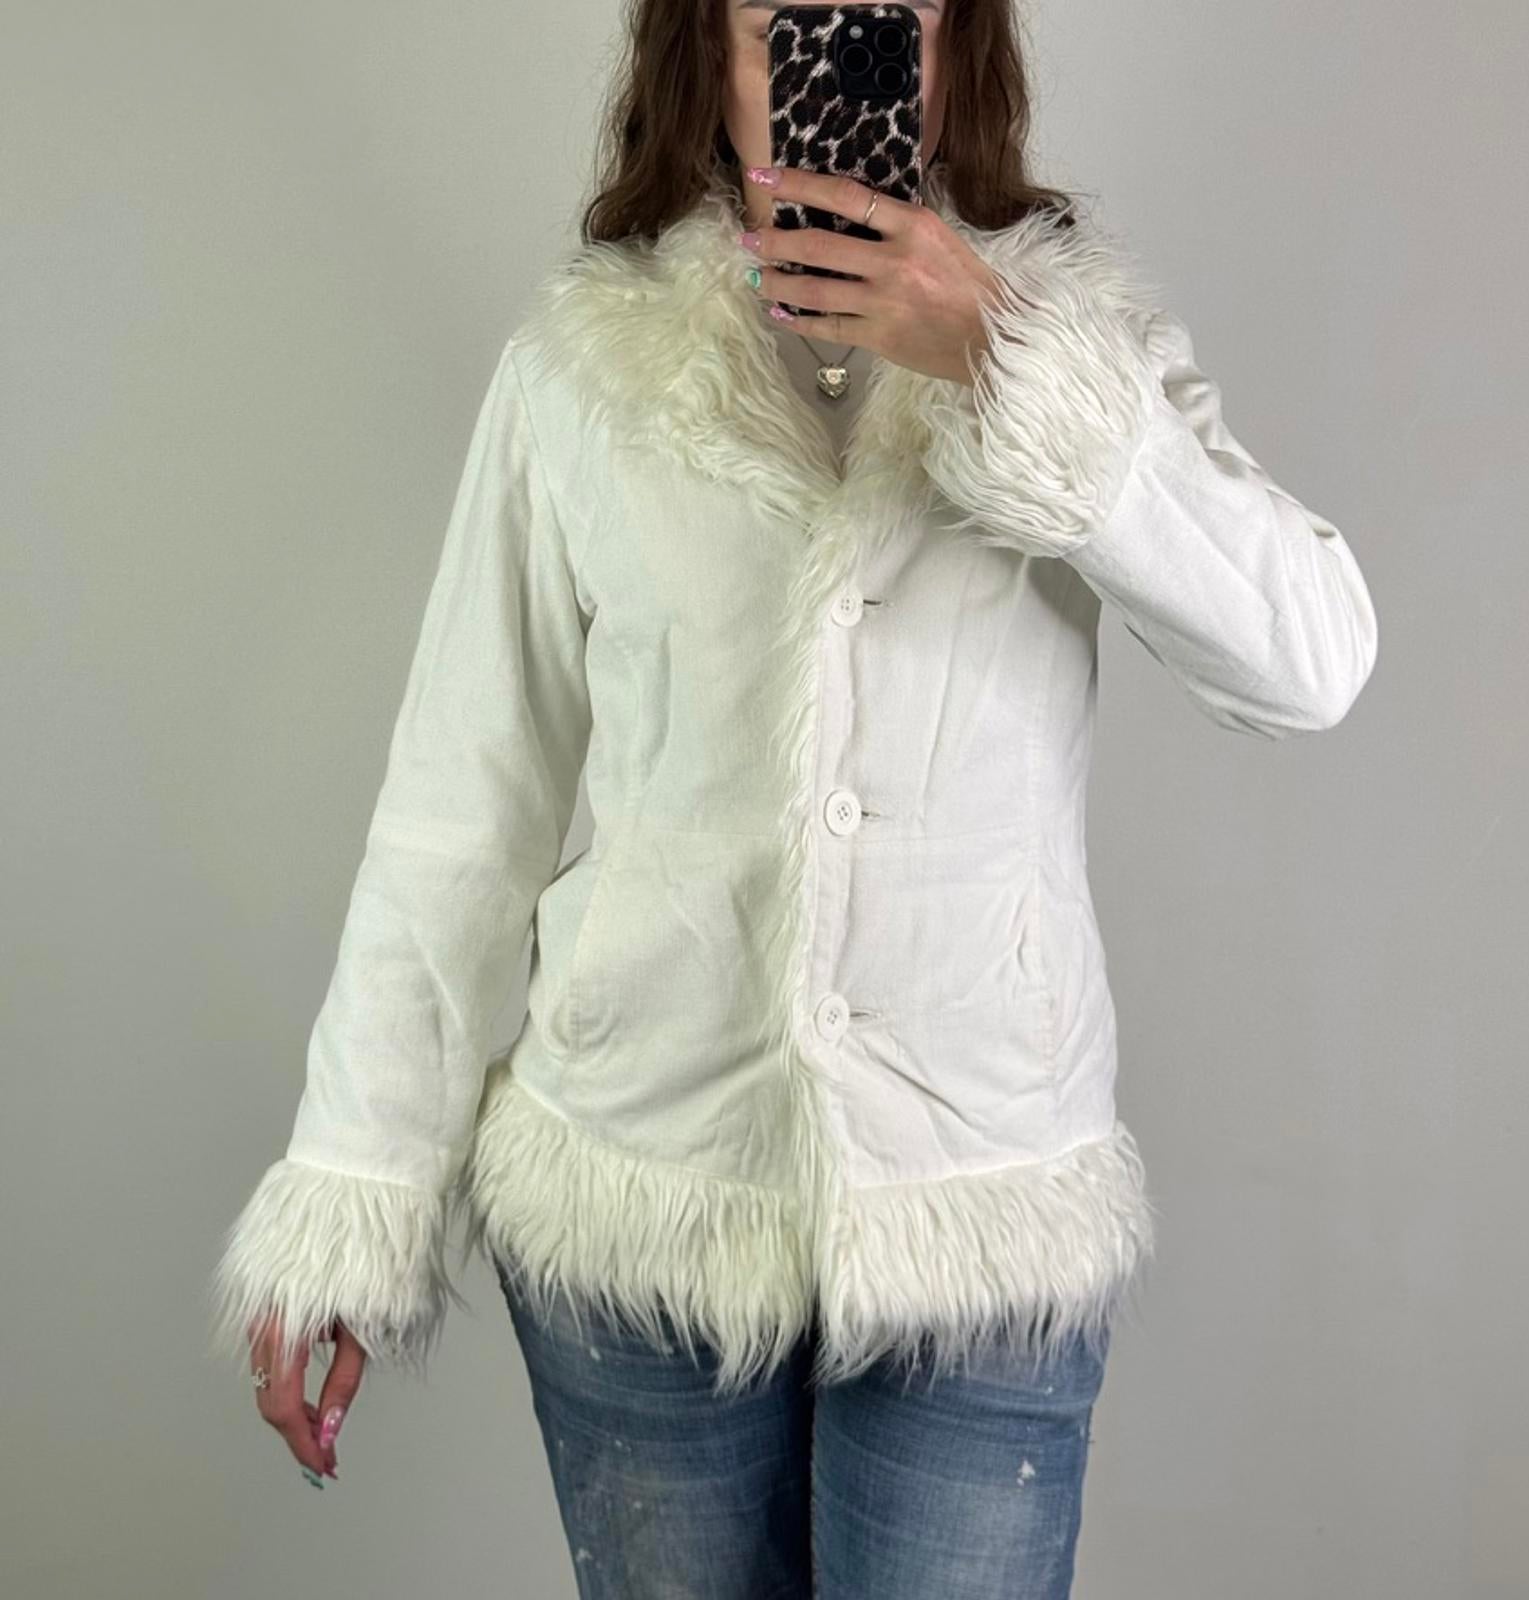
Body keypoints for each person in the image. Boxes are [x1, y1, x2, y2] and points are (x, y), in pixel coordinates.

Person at [208, 1, 1380, 1594]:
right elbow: (463, 806)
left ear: (956, 50)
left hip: (976, 1215)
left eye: (888, 20)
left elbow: (1310, 662)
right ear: (706, 53)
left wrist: (1009, 361)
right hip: (642, 1201)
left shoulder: (1077, 347)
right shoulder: (582, 367)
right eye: (784, 26)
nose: (836, 65)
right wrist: (357, 1191)